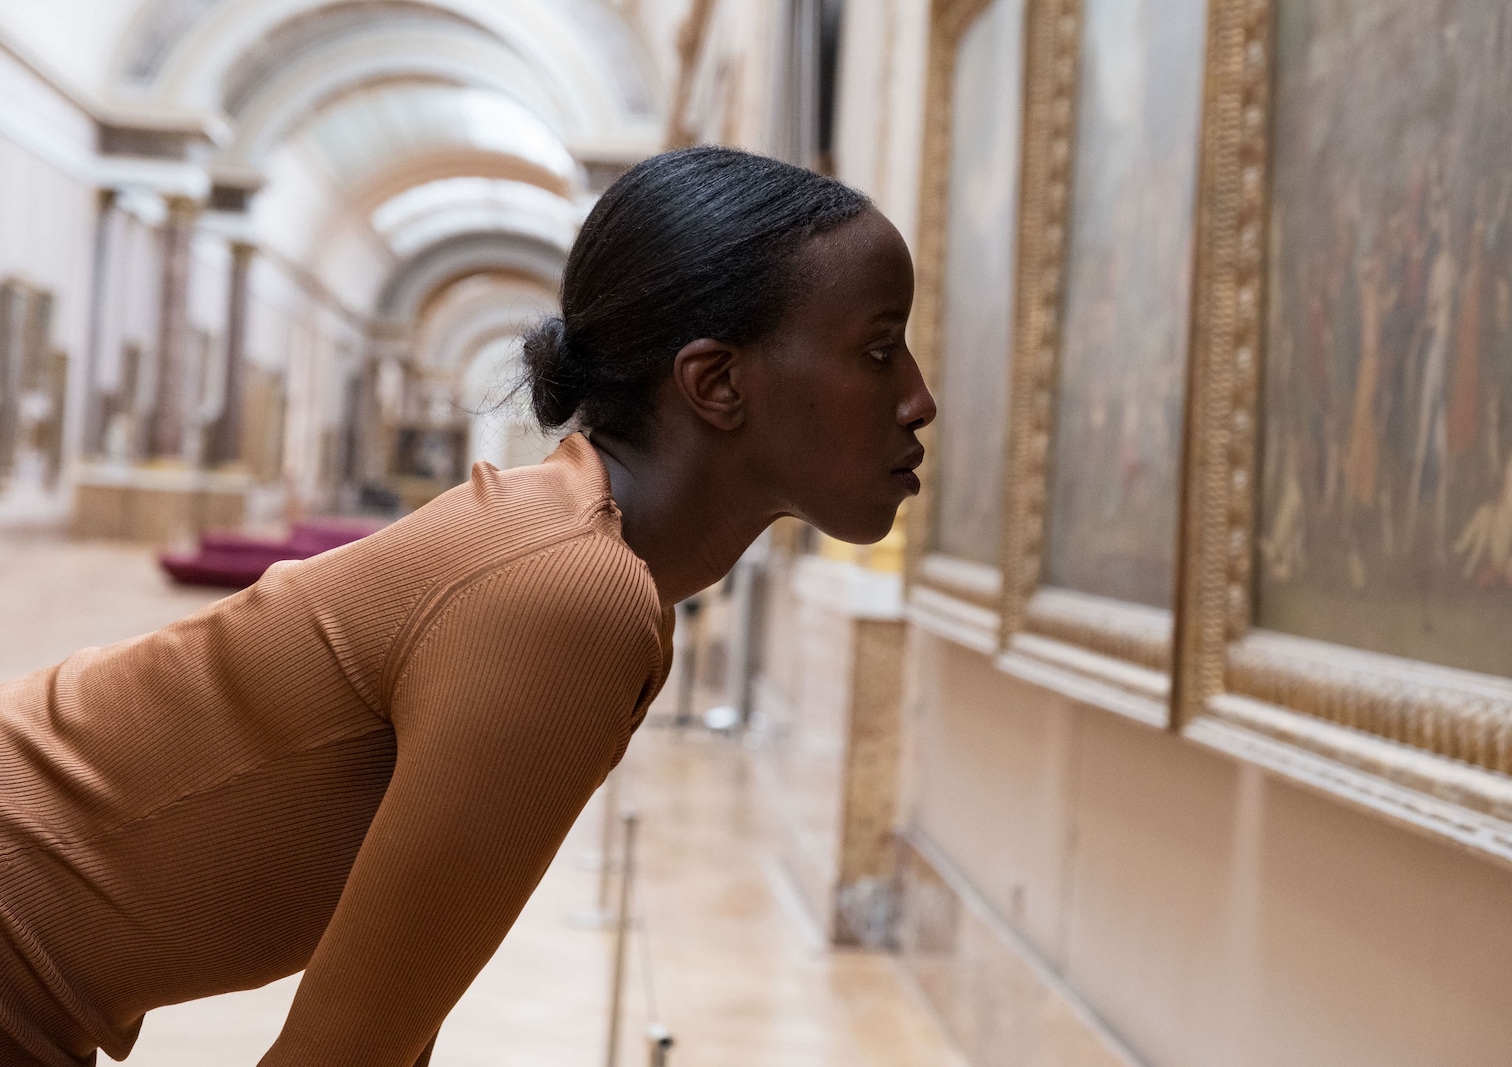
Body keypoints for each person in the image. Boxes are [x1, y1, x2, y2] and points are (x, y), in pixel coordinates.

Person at [0, 146, 934, 1067]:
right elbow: (345, 1050)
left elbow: (398, 1010)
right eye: (879, 350)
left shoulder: (578, 557)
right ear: (717, 382)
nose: (919, 399)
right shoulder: (569, 590)